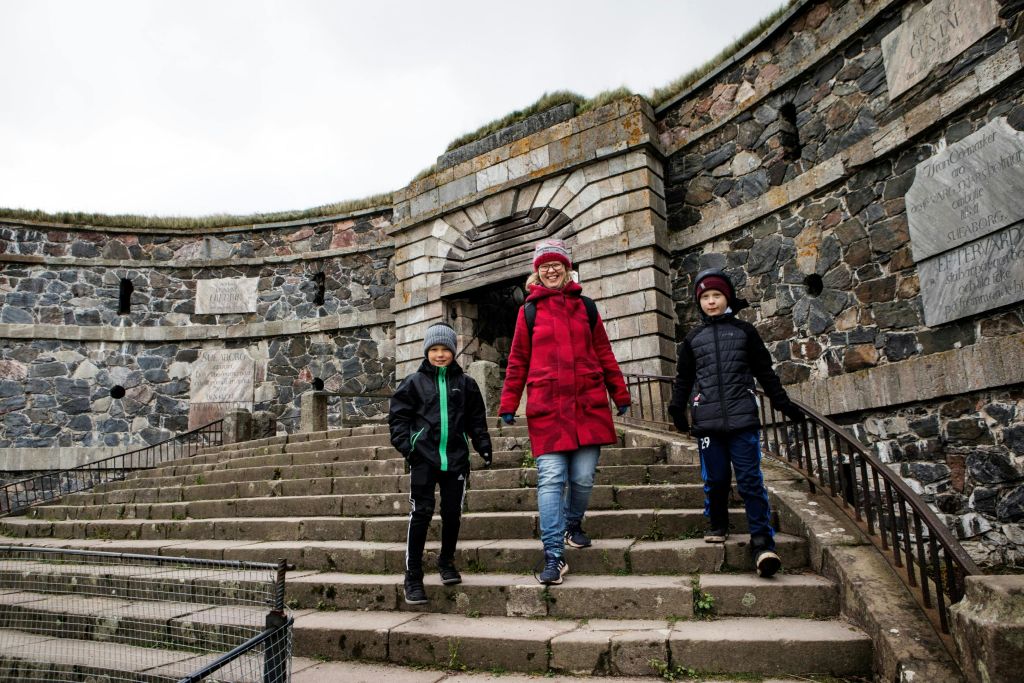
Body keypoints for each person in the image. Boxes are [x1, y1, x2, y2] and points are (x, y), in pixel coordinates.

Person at [499, 239, 631, 585]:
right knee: (551, 479)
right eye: (544, 265)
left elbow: (604, 352)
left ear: (567, 268)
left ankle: (573, 523)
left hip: (588, 406)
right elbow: (518, 360)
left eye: (556, 264)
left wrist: (619, 393)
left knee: (583, 477)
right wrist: (509, 402)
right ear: (537, 272)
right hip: (548, 409)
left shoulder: (586, 307)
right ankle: (554, 555)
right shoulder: (528, 312)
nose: (551, 270)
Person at [667, 268, 804, 578]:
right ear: (699, 302)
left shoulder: (745, 332)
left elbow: (764, 371)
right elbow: (684, 378)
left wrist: (781, 402)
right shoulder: (693, 339)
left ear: (726, 297)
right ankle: (717, 522)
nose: (711, 301)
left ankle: (762, 544)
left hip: (743, 419)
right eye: (705, 297)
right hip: (708, 423)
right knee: (715, 479)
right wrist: (677, 409)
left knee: (750, 481)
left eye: (716, 295)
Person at [388, 322, 493, 605]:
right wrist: (409, 448)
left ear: (453, 352)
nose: (439, 354)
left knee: (452, 513)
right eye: (434, 349)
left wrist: (483, 446)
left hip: (456, 460)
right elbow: (398, 419)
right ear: (426, 352)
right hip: (423, 459)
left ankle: (446, 562)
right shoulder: (413, 383)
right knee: (421, 513)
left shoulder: (466, 384)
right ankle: (413, 576)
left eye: (445, 349)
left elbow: (476, 420)